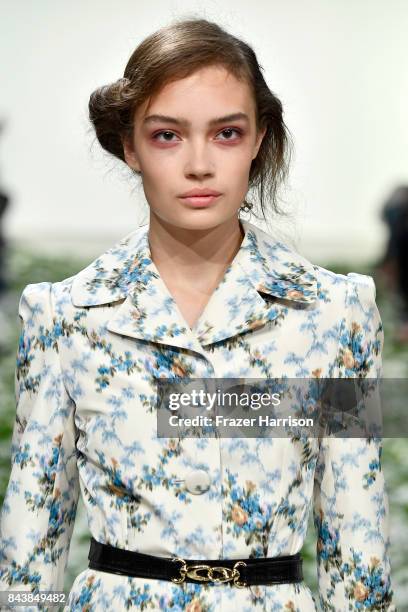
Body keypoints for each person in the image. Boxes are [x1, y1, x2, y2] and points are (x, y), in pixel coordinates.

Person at [0, 17, 395, 612]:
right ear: (128, 146)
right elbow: (32, 544)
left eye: (227, 133)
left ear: (260, 138)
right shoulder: (66, 317)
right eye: (167, 135)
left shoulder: (335, 316)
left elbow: (357, 539)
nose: (199, 164)